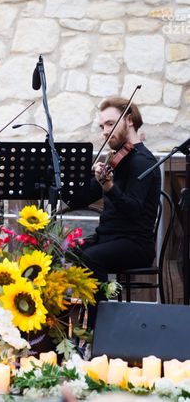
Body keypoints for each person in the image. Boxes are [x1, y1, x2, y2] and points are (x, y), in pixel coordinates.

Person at [71, 97, 161, 326]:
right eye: (102, 126)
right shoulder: (116, 160)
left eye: (110, 124)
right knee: (65, 251)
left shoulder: (142, 161)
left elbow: (133, 210)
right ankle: (68, 329)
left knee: (91, 258)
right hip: (109, 238)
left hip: (135, 244)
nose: (104, 132)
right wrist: (72, 177)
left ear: (129, 120)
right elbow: (81, 198)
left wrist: (110, 186)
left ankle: (100, 327)